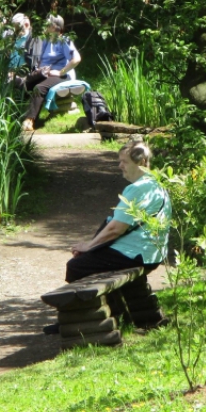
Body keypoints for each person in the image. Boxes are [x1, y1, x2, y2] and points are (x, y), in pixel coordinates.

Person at [44, 140, 171, 333]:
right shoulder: (155, 183)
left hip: (136, 253)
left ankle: (83, 322)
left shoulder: (138, 188)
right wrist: (92, 247)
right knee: (98, 264)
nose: (120, 166)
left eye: (124, 162)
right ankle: (142, 317)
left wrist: (89, 246)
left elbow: (115, 229)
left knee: (77, 266)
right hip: (150, 252)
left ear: (142, 162)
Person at [21, 14, 82, 132]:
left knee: (39, 87)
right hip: (46, 74)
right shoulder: (46, 40)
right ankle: (25, 118)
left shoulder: (64, 40)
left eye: (47, 23)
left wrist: (60, 72)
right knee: (23, 84)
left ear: (54, 27)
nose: (45, 25)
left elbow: (77, 59)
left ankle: (29, 120)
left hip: (64, 76)